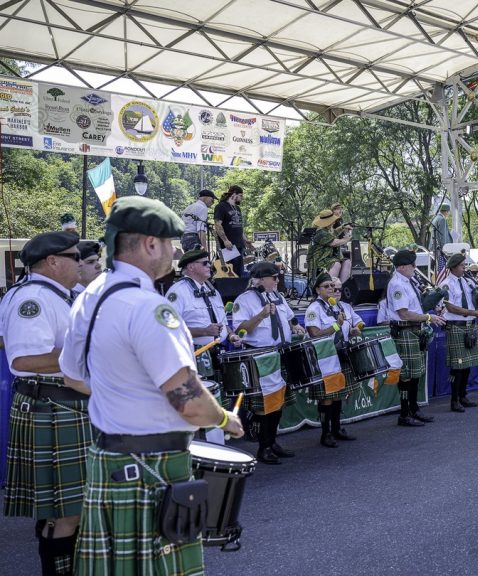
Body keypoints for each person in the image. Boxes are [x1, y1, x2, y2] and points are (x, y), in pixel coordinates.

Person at [59, 196, 243, 576]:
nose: (176, 252)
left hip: (108, 459)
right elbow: (189, 402)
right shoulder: (149, 307)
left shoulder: (89, 299)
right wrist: (225, 418)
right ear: (149, 243)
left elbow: (72, 376)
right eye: (171, 243)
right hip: (152, 466)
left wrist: (122, 397)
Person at [2, 231, 90, 576]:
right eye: (75, 257)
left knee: (73, 509)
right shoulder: (34, 298)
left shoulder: (61, 296)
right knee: (63, 513)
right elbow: (24, 359)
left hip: (66, 407)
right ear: (52, 262)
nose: (81, 263)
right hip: (52, 409)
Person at [233, 261, 305, 463]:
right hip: (260, 356)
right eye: (274, 277)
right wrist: (261, 314)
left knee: (278, 402)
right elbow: (240, 330)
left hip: (280, 353)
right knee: (266, 404)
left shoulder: (277, 295)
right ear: (261, 279)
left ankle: (272, 442)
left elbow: (290, 317)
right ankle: (263, 447)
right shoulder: (245, 300)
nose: (277, 280)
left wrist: (296, 326)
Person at [384, 249, 445, 426]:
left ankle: (414, 408)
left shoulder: (408, 282)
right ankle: (404, 413)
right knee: (406, 375)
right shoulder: (397, 284)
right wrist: (428, 317)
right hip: (404, 331)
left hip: (414, 331)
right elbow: (403, 314)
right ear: (402, 267)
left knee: (415, 373)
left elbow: (417, 306)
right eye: (412, 264)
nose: (415, 267)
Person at [166, 249, 240, 384]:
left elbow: (221, 322)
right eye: (205, 263)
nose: (210, 266)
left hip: (219, 354)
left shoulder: (212, 291)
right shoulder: (177, 292)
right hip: (196, 357)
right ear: (191, 267)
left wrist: (230, 335)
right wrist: (204, 331)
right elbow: (169, 330)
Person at [304, 273, 359, 445]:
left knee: (337, 396)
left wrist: (351, 331)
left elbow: (343, 329)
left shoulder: (336, 307)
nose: (331, 289)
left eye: (332, 286)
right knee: (326, 397)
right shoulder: (314, 309)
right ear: (317, 289)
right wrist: (336, 326)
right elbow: (314, 334)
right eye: (326, 286)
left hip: (338, 354)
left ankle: (336, 429)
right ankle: (325, 433)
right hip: (323, 358)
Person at [442, 254, 478, 411]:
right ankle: (454, 400)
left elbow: (475, 299)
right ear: (454, 267)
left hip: (469, 325)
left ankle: (463, 395)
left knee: (467, 365)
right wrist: (474, 313)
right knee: (457, 366)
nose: (465, 268)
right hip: (456, 326)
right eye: (462, 265)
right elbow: (451, 308)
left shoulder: (468, 282)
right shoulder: (446, 284)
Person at [308, 209, 354, 285]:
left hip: (329, 258)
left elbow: (335, 232)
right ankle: (328, 288)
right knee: (336, 264)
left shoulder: (327, 230)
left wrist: (343, 227)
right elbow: (334, 243)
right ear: (328, 222)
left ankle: (340, 289)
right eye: (332, 220)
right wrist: (347, 238)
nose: (334, 222)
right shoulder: (320, 232)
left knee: (347, 262)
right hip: (319, 260)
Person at [213, 185, 248, 276]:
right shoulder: (221, 207)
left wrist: (245, 240)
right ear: (234, 194)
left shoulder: (237, 208)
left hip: (239, 245)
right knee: (230, 273)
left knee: (239, 273)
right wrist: (225, 240)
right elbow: (217, 224)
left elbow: (239, 226)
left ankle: (238, 289)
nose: (241, 198)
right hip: (229, 246)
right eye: (240, 195)